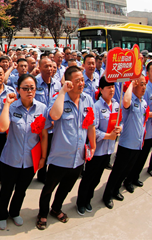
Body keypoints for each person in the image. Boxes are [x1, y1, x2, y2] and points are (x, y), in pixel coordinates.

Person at [36, 66, 96, 230]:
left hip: (78, 157)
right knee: (49, 188)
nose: (81, 83)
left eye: (82, 80)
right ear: (68, 81)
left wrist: (93, 145)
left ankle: (56, 208)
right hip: (60, 157)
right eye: (77, 81)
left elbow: (90, 124)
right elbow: (54, 116)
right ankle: (42, 213)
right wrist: (62, 91)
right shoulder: (59, 98)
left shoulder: (88, 100)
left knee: (66, 187)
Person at [0, 74, 48, 230]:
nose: (29, 91)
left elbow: (44, 135)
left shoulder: (41, 108)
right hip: (10, 158)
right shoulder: (11, 107)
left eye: (32, 88)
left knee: (21, 190)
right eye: (25, 88)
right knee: (6, 189)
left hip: (31, 160)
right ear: (18, 90)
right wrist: (6, 104)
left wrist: (43, 157)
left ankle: (15, 212)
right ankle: (1, 215)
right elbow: (2, 128)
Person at [103, 75, 152, 208]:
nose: (144, 87)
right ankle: (108, 195)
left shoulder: (143, 102)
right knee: (118, 170)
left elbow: (144, 118)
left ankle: (116, 190)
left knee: (126, 170)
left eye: (145, 84)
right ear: (135, 85)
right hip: (126, 143)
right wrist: (132, 84)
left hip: (138, 143)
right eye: (141, 84)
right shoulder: (130, 100)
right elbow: (126, 102)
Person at [76, 77, 121, 215]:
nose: (111, 90)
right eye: (108, 87)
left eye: (113, 86)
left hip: (108, 149)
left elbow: (121, 121)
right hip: (96, 149)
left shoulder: (116, 105)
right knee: (89, 177)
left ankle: (88, 199)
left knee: (97, 178)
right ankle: (81, 202)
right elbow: (92, 128)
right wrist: (108, 136)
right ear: (101, 90)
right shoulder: (96, 107)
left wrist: (119, 129)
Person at [127, 61, 152, 182]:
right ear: (147, 73)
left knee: (143, 157)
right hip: (144, 129)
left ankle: (135, 177)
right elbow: (144, 112)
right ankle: (130, 179)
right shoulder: (145, 90)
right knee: (137, 158)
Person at [34, 58, 62, 184]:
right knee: (37, 150)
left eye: (51, 66)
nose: (50, 69)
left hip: (53, 124)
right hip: (38, 124)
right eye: (46, 66)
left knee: (51, 149)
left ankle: (45, 173)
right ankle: (37, 171)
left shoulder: (57, 84)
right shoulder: (34, 83)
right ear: (39, 68)